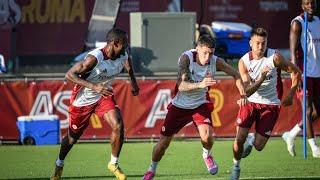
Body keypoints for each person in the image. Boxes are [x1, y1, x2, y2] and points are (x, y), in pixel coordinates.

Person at [142, 34, 248, 180]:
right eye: (205, 53)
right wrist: (200, 84)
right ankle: (151, 170)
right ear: (197, 49)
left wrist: (243, 95)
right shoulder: (186, 58)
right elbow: (181, 85)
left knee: (208, 136)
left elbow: (236, 74)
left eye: (211, 53)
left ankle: (206, 155)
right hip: (180, 105)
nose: (208, 57)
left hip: (200, 104)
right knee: (163, 144)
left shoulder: (215, 61)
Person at [50, 28, 140, 180]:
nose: (126, 47)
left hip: (103, 96)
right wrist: (94, 86)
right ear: (115, 43)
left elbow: (128, 65)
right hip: (83, 100)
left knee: (118, 125)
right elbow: (69, 75)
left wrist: (133, 82)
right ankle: (59, 163)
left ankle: (113, 164)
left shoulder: (123, 54)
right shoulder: (94, 58)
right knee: (72, 138)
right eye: (124, 44)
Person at [230, 27, 302, 180]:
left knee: (259, 146)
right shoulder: (244, 62)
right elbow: (247, 91)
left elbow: (296, 72)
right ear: (250, 43)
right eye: (257, 43)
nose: (260, 47)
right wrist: (262, 78)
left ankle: (252, 139)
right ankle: (236, 166)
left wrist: (290, 94)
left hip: (271, 104)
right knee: (239, 139)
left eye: (263, 43)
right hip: (250, 103)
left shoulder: (274, 57)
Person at [282, 0, 320, 158]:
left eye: (312, 2)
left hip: (318, 72)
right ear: (302, 6)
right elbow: (292, 54)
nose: (310, 5)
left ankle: (291, 134)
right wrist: (296, 76)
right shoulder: (298, 23)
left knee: (317, 112)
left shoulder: (318, 21)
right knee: (308, 109)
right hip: (304, 72)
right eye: (307, 3)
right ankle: (314, 148)